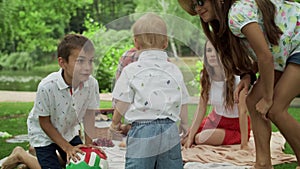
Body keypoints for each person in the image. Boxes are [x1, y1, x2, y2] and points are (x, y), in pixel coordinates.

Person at [178, 0, 300, 168]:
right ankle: (262, 164)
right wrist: (248, 76)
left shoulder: (237, 13)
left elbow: (265, 56)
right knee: (252, 101)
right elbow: (263, 52)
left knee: (275, 109)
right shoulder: (229, 22)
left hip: (296, 44)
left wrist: (267, 98)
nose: (197, 8)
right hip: (285, 52)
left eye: (200, 1)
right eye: (193, 6)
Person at [109, 13, 190, 169]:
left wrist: (114, 123)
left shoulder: (131, 70)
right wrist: (185, 124)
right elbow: (183, 100)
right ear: (165, 43)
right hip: (169, 130)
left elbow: (123, 101)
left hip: (142, 131)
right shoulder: (173, 70)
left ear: (136, 43)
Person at [26, 33, 102, 169]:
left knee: (80, 161)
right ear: (62, 62)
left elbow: (89, 115)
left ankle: (38, 154)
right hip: (43, 134)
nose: (87, 67)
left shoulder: (92, 84)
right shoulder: (47, 86)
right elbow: (44, 122)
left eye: (91, 61)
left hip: (69, 132)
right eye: (80, 61)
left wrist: (89, 145)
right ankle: (21, 155)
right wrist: (67, 148)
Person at [182, 40, 251, 149]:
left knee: (200, 138)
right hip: (214, 119)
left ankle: (232, 138)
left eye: (217, 50)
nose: (212, 55)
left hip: (235, 126)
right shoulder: (206, 77)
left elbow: (243, 112)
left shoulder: (238, 79)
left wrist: (244, 144)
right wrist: (189, 137)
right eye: (209, 51)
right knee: (184, 138)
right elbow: (201, 108)